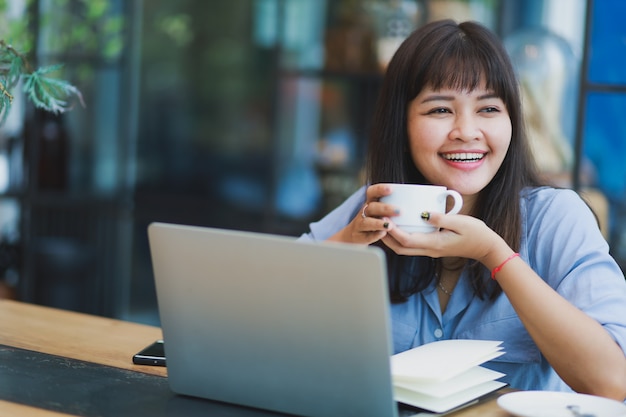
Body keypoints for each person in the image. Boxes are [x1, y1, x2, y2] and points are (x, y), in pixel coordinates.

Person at [298, 20, 626, 400]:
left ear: (512, 122)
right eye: (440, 110)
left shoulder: (556, 218)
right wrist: (346, 242)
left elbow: (614, 381)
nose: (466, 131)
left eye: (488, 108)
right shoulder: (374, 207)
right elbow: (269, 318)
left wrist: (495, 255)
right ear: (401, 124)